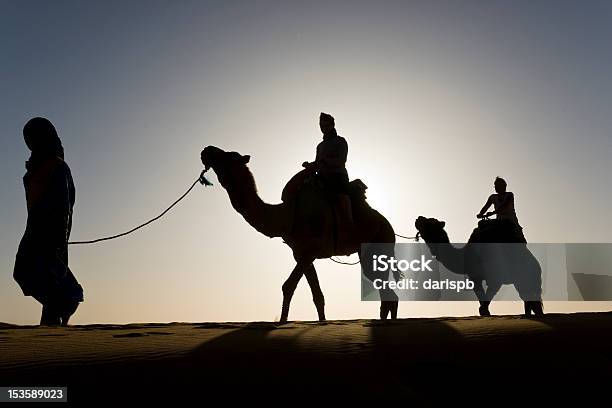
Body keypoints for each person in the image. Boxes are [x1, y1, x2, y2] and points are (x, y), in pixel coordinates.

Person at [14, 117, 83, 326]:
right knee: (29, 273)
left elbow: (64, 204)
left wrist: (59, 237)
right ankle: (66, 301)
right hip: (34, 225)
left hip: (49, 229)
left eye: (33, 136)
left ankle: (63, 307)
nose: (29, 141)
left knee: (40, 273)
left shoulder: (57, 166)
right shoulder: (37, 164)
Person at [302, 113, 357, 254]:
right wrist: (310, 166)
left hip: (338, 176)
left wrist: (325, 162)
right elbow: (317, 162)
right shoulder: (320, 146)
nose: (323, 128)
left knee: (339, 198)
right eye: (321, 126)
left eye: (326, 125)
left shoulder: (340, 141)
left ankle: (348, 230)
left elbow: (342, 160)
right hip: (322, 177)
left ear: (332, 125)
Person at [477, 177, 526, 242]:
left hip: (510, 221)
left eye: (498, 185)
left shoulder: (509, 195)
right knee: (480, 227)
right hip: (499, 221)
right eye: (495, 186)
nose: (496, 187)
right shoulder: (493, 197)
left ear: (504, 186)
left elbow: (504, 206)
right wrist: (481, 214)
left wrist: (492, 213)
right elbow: (486, 206)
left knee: (518, 238)